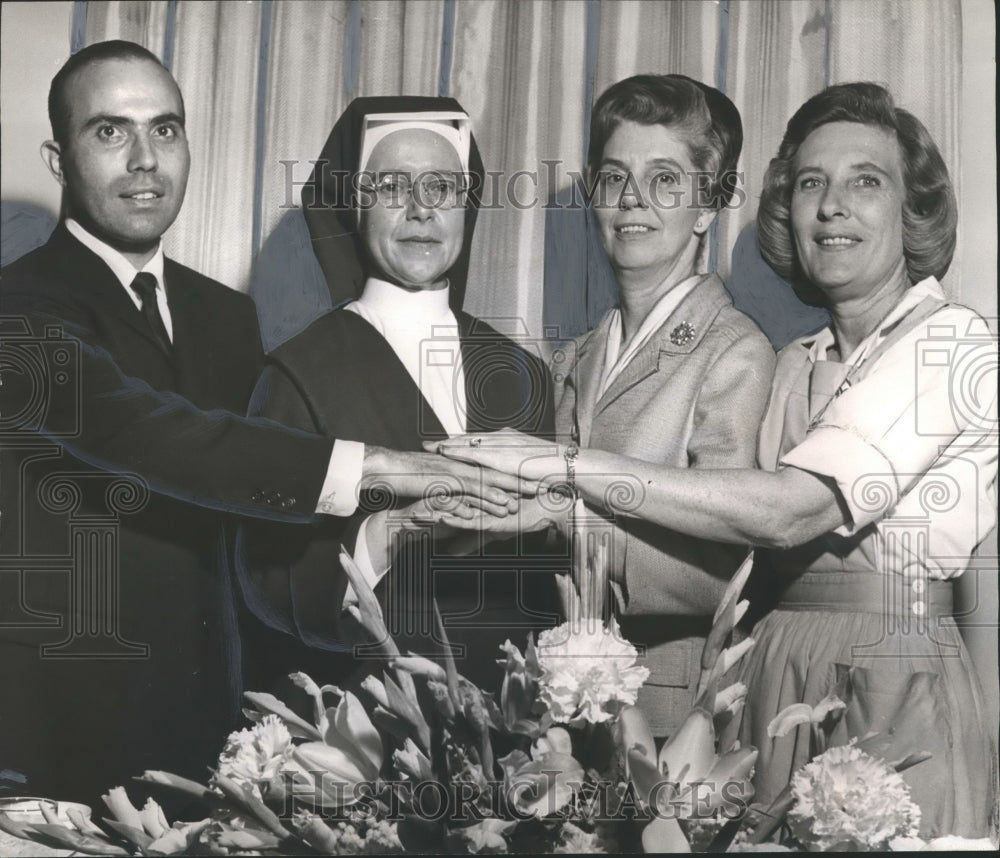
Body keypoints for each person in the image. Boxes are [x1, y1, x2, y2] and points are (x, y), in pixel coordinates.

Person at [431, 82, 998, 838]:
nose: (832, 207)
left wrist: (567, 474)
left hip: (891, 672)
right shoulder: (795, 360)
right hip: (772, 673)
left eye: (866, 182)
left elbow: (788, 512)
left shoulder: (951, 341)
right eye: (810, 183)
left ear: (913, 209)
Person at [0, 42, 516, 808]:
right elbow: (147, 433)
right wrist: (383, 465)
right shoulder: (16, 308)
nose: (145, 159)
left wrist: (390, 537)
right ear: (57, 158)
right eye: (109, 131)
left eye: (165, 129)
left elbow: (250, 539)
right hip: (55, 749)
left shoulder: (224, 315)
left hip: (215, 743)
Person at [413, 75, 775, 738]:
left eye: (664, 179)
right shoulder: (573, 358)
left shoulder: (735, 352)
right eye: (613, 177)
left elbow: (725, 573)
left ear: (707, 204)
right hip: (561, 706)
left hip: (671, 711)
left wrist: (567, 517)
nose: (632, 199)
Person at [237, 96, 558, 690]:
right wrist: (387, 535)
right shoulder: (296, 372)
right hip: (369, 706)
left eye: (441, 186)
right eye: (391, 187)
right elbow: (263, 574)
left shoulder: (524, 372)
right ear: (355, 205)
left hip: (516, 714)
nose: (420, 209)